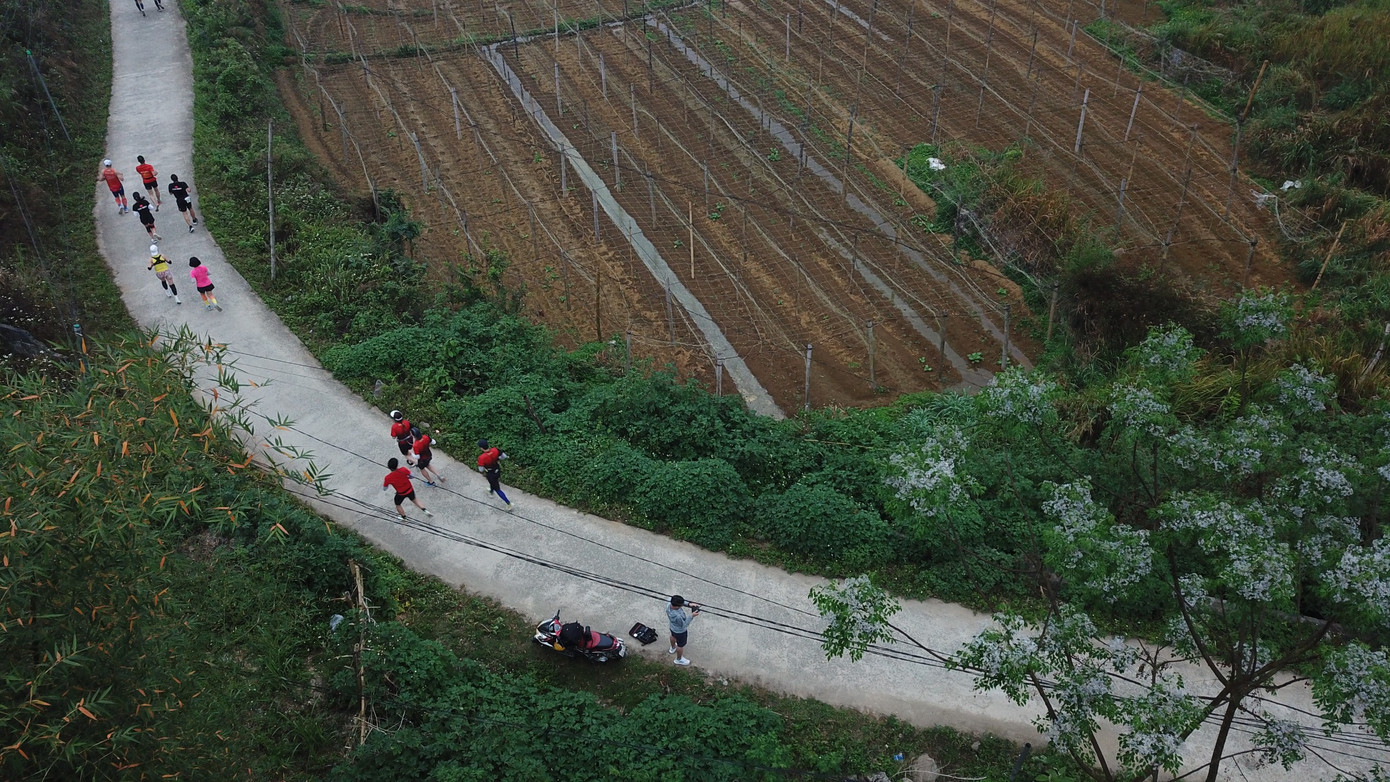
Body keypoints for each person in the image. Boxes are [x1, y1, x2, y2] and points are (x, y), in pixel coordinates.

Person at [666, 595, 700, 666]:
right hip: (680, 631)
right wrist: (692, 616)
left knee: (672, 636)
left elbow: (676, 600)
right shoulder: (677, 616)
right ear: (677, 607)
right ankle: (679, 659)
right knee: (680, 645)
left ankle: (672, 648)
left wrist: (689, 604)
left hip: (672, 627)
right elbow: (684, 625)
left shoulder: (669, 603)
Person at [476, 439, 511, 507]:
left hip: (490, 474)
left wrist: (479, 464)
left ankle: (509, 503)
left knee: (497, 489)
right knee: (493, 483)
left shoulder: (481, 458)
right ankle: (491, 491)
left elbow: (481, 470)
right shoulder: (495, 450)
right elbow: (504, 456)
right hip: (497, 469)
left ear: (481, 448)